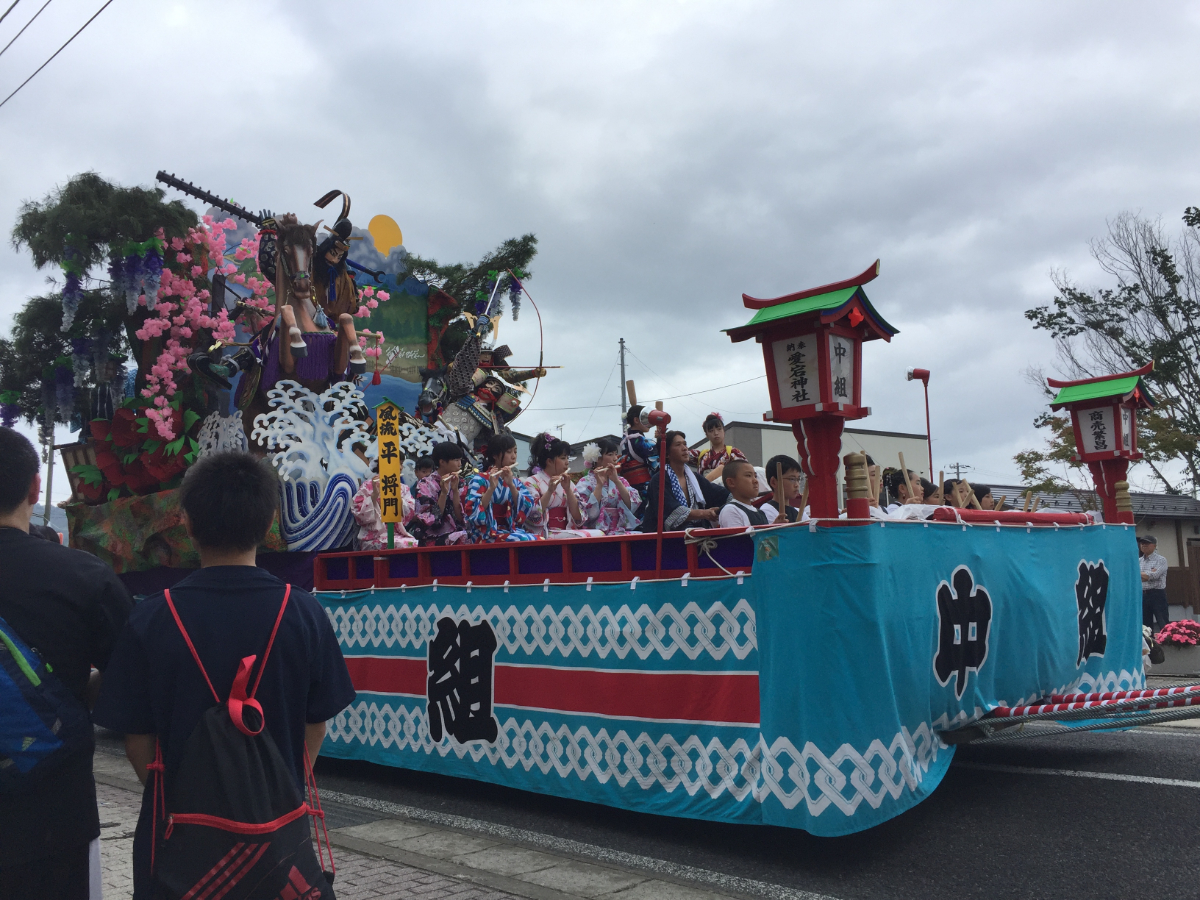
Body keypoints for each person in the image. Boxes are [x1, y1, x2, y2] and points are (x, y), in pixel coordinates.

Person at [92, 452, 355, 900]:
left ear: (188, 523)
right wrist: (272, 787)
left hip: (177, 844)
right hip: (279, 843)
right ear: (271, 520)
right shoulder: (304, 612)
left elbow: (137, 739)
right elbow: (316, 724)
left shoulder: (153, 617)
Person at [0, 428, 133, 900]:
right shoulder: (83, 576)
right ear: (37, 488)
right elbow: (131, 681)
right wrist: (79, 687)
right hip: (55, 828)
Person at [639, 430, 729, 531]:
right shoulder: (658, 480)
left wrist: (737, 494)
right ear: (667, 454)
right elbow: (670, 511)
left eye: (685, 444)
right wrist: (705, 513)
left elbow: (719, 494)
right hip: (665, 539)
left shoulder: (695, 478)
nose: (685, 448)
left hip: (694, 533)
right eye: (678, 445)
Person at [523, 433, 604, 539]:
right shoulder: (532, 482)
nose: (567, 462)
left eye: (567, 458)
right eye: (562, 458)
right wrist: (549, 491)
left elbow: (578, 517)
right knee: (584, 537)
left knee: (599, 534)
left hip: (566, 529)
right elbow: (532, 516)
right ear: (549, 461)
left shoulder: (568, 483)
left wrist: (568, 490)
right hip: (544, 532)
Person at [462, 432, 540, 543]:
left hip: (509, 530)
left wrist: (511, 486)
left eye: (515, 451)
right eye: (509, 452)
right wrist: (491, 489)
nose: (513, 456)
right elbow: (472, 513)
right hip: (485, 533)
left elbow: (527, 508)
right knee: (523, 540)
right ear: (495, 455)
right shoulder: (479, 480)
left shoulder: (515, 482)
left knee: (538, 539)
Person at [575, 438, 641, 535]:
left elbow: (631, 505)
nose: (615, 458)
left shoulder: (621, 480)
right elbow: (587, 513)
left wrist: (616, 481)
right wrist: (599, 485)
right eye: (610, 454)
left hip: (618, 527)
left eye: (615, 454)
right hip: (596, 529)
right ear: (597, 458)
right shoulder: (584, 482)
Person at [409, 441, 470, 546]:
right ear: (442, 462)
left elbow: (460, 518)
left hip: (456, 532)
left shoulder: (460, 481)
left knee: (476, 535)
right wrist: (443, 493)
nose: (460, 464)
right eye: (456, 460)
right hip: (431, 536)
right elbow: (431, 521)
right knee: (464, 536)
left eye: (460, 460)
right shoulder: (425, 484)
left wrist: (455, 491)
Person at [351, 459, 417, 550]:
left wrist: (398, 498)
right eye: (398, 463)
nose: (401, 467)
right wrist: (374, 496)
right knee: (402, 545)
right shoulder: (368, 486)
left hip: (397, 533)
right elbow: (358, 512)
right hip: (373, 536)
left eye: (401, 464)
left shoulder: (403, 488)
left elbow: (410, 512)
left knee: (411, 543)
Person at [618, 405, 660, 494]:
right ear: (636, 420)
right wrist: (661, 441)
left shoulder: (625, 438)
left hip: (629, 486)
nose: (649, 422)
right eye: (646, 419)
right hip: (644, 485)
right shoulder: (639, 440)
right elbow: (656, 460)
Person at [696, 413, 748, 483]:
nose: (716, 433)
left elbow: (746, 471)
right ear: (706, 435)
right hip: (705, 491)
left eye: (719, 429)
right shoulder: (701, 455)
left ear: (724, 431)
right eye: (711, 431)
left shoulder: (734, 453)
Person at [718, 459, 769, 528]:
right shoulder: (731, 510)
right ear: (731, 482)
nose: (755, 481)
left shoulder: (760, 513)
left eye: (755, 476)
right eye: (748, 476)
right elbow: (738, 538)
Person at [1139, 535, 1170, 635]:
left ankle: (1167, 644)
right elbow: (1135, 577)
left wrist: (1143, 575)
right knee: (1145, 624)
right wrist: (1146, 574)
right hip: (1143, 594)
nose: (1144, 545)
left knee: (1162, 621)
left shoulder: (1161, 560)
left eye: (1147, 543)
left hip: (1157, 594)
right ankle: (1149, 648)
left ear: (1154, 545)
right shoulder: (1138, 561)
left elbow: (1154, 575)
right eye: (1142, 543)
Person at [760, 454, 804, 524]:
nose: (797, 485)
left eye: (798, 479)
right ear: (773, 482)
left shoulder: (799, 512)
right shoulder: (767, 510)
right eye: (792, 479)